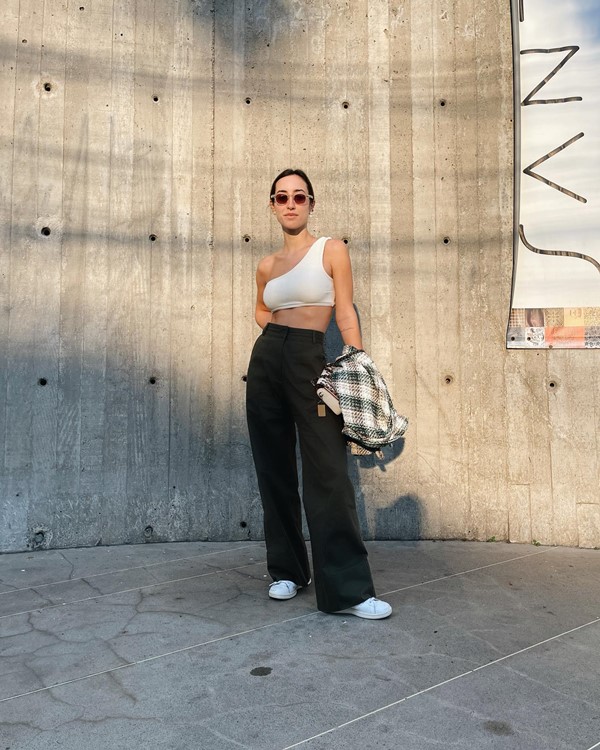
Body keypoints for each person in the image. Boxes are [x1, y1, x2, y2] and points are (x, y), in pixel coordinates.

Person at [245, 168, 392, 620]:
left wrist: (358, 364)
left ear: (311, 203)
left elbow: (343, 310)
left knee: (327, 471)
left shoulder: (331, 249)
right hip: (267, 360)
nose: (290, 203)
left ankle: (348, 590)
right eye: (281, 197)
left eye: (299, 196)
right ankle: (288, 570)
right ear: (272, 205)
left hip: (312, 359)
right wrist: (279, 342)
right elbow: (260, 310)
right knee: (274, 468)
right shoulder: (267, 265)